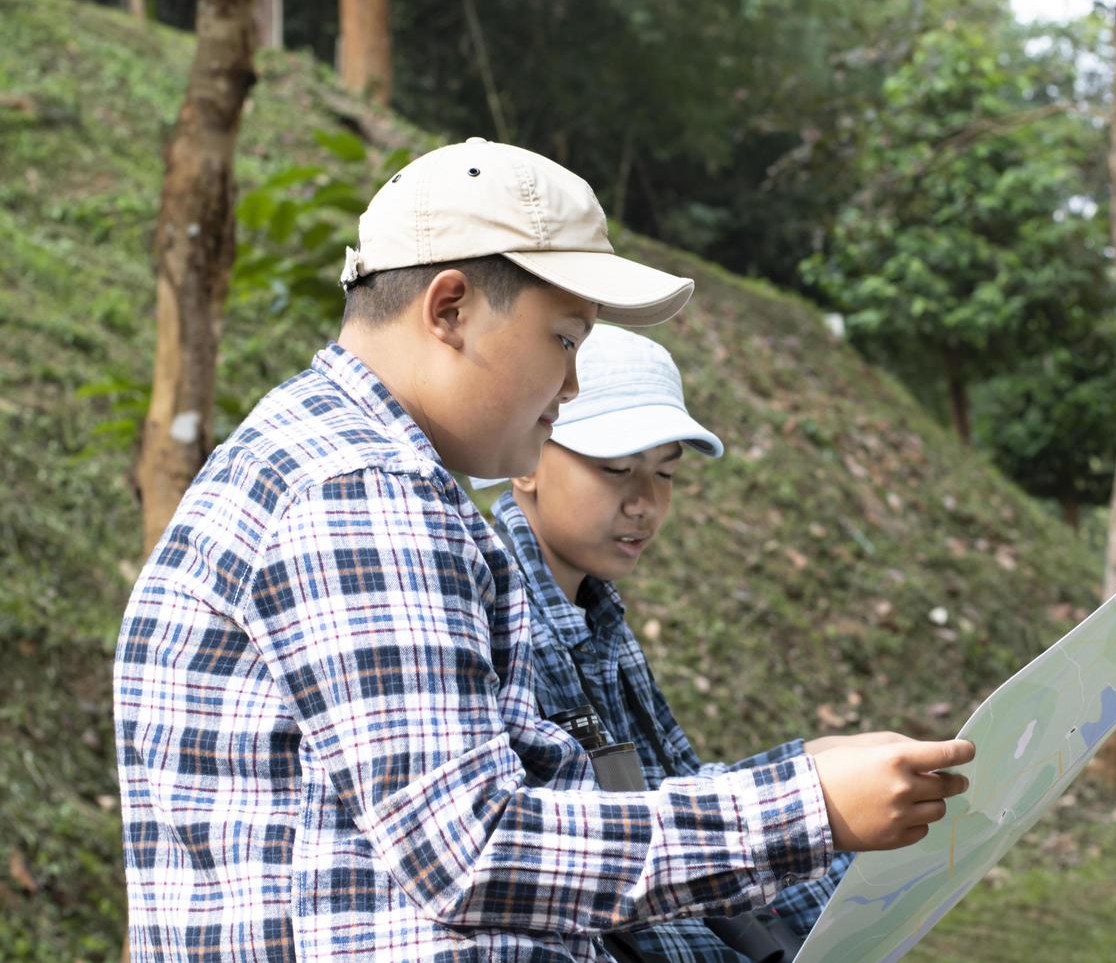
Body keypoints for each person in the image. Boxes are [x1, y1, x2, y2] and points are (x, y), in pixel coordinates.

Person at [114, 138, 974, 961]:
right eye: (564, 340)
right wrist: (803, 811)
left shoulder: (346, 465)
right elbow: (471, 851)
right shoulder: (360, 490)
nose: (569, 387)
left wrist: (797, 784)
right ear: (448, 309)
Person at [479, 324, 907, 960]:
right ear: (528, 456)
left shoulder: (598, 619)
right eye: (617, 469)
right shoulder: (495, 619)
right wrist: (811, 800)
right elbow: (583, 855)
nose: (644, 503)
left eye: (666, 474)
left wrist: (813, 763)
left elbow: (667, 789)